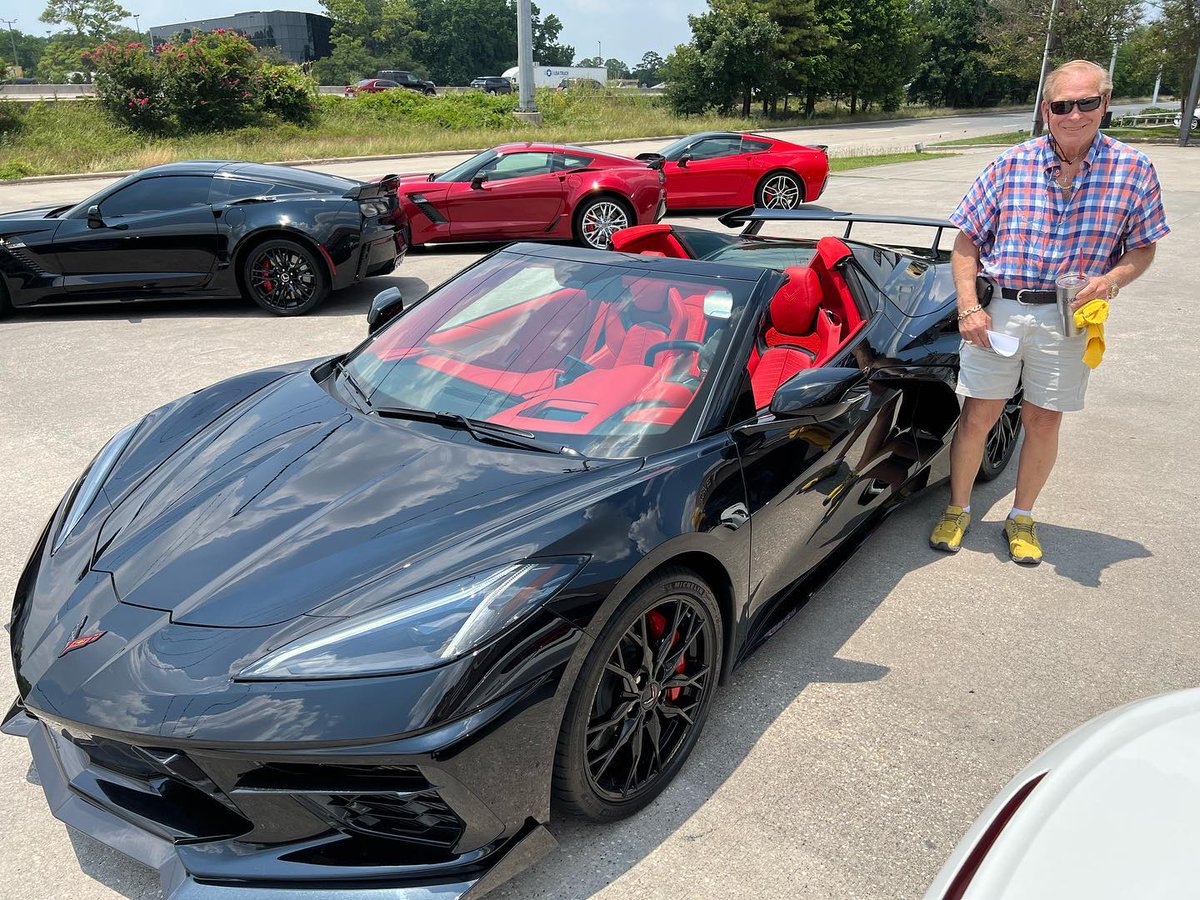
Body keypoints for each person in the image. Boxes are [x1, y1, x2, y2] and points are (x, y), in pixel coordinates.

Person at [929, 59, 1169, 565]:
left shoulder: (1133, 169)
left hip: (1068, 318)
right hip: (999, 312)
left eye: (1086, 103)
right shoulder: (1009, 164)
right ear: (1046, 109)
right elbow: (966, 242)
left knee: (1043, 420)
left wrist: (1111, 281)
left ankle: (1022, 517)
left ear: (1106, 104)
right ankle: (958, 508)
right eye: (1062, 105)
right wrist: (969, 307)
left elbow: (1143, 247)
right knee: (978, 415)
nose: (1074, 114)